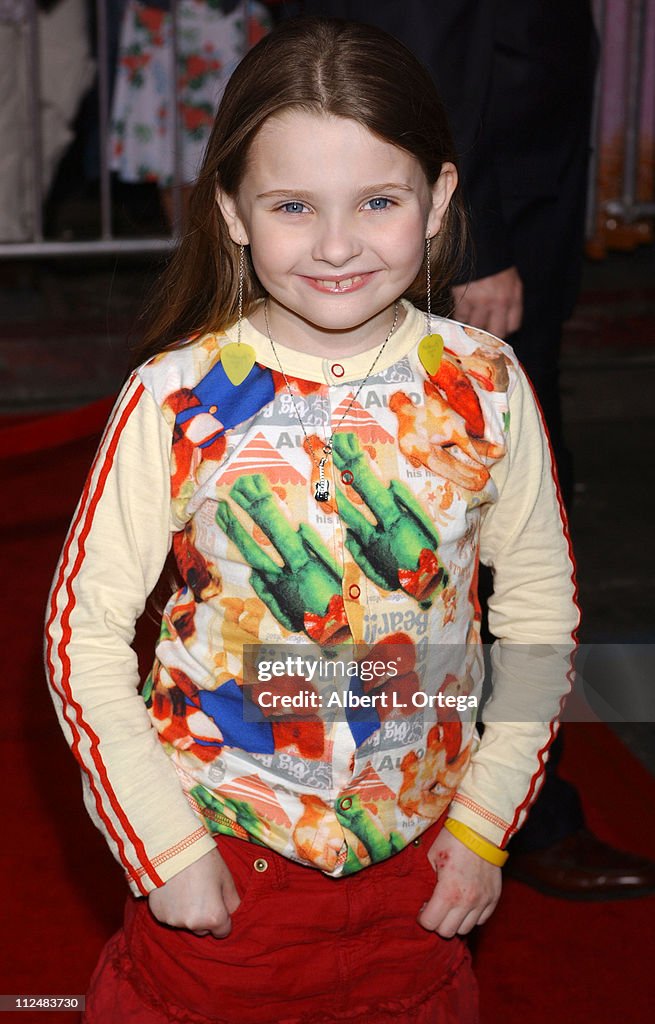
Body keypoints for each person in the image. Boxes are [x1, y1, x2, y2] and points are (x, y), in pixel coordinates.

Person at [45, 18, 578, 1022]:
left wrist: (483, 821)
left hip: (423, 876)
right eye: (293, 205)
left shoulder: (485, 385)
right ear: (235, 214)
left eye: (378, 200)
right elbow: (80, 636)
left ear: (439, 201)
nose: (336, 245)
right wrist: (164, 842)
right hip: (224, 870)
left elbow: (539, 619)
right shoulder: (176, 396)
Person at [301, 0, 655, 902]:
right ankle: (497, 810)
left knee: (447, 511)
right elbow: (425, 36)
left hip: (501, 202)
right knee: (466, 516)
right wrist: (473, 243)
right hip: (471, 224)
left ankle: (442, 795)